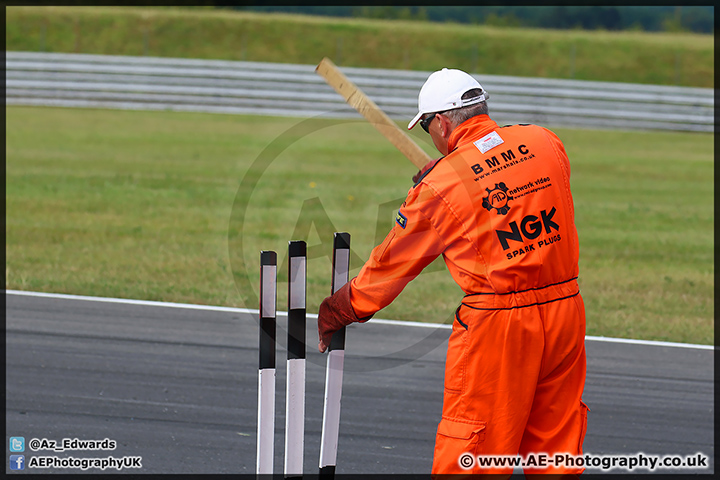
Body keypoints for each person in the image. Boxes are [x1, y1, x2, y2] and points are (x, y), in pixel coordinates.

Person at [318, 68, 588, 477]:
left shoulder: (440, 187)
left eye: (427, 127)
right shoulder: (545, 142)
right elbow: (509, 183)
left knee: (473, 449)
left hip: (500, 325)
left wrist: (342, 307)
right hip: (566, 312)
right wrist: (454, 174)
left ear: (441, 122)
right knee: (555, 449)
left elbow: (391, 267)